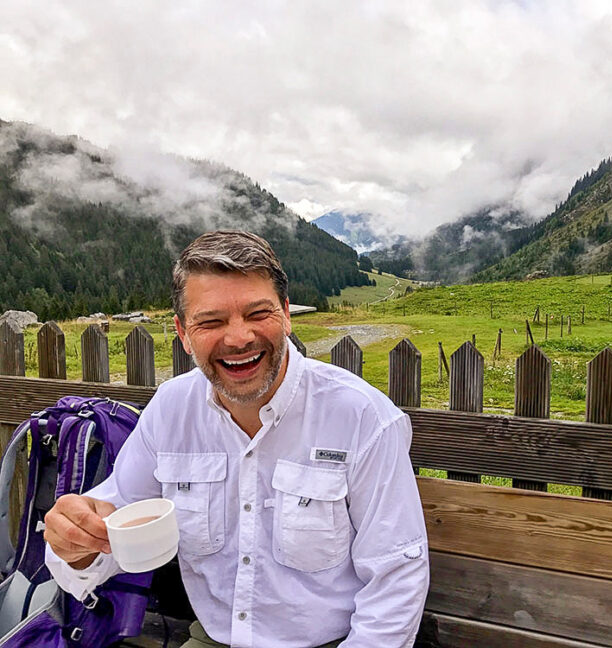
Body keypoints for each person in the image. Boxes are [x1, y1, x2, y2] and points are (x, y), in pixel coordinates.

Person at [44, 230, 430, 648]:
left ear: (285, 313)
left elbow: (396, 578)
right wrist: (78, 543)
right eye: (211, 321)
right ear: (182, 332)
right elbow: (112, 522)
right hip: (211, 639)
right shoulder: (172, 409)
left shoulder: (362, 416)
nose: (238, 337)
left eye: (257, 313)